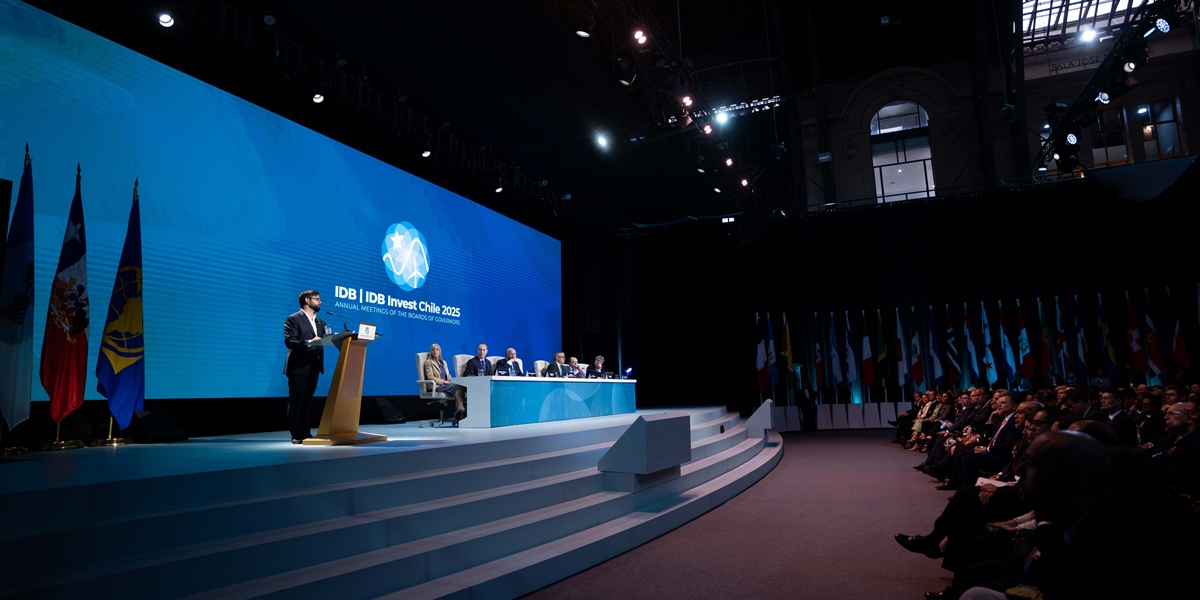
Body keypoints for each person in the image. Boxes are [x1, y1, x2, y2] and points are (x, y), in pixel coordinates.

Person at [283, 289, 329, 444]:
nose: (320, 302)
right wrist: (309, 342)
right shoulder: (293, 319)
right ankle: (296, 435)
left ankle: (306, 434)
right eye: (317, 299)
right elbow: (290, 341)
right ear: (307, 301)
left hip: (314, 366)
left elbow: (325, 339)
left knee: (307, 403)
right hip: (298, 366)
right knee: (296, 402)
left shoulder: (320, 322)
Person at [424, 343, 465, 416]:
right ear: (431, 352)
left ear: (440, 352)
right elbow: (430, 377)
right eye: (433, 350)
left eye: (437, 349)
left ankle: (460, 414)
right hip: (436, 386)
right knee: (458, 388)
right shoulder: (428, 362)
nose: (435, 351)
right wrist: (443, 381)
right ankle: (461, 408)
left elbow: (448, 375)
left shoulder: (444, 362)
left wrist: (451, 380)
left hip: (446, 384)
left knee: (459, 388)